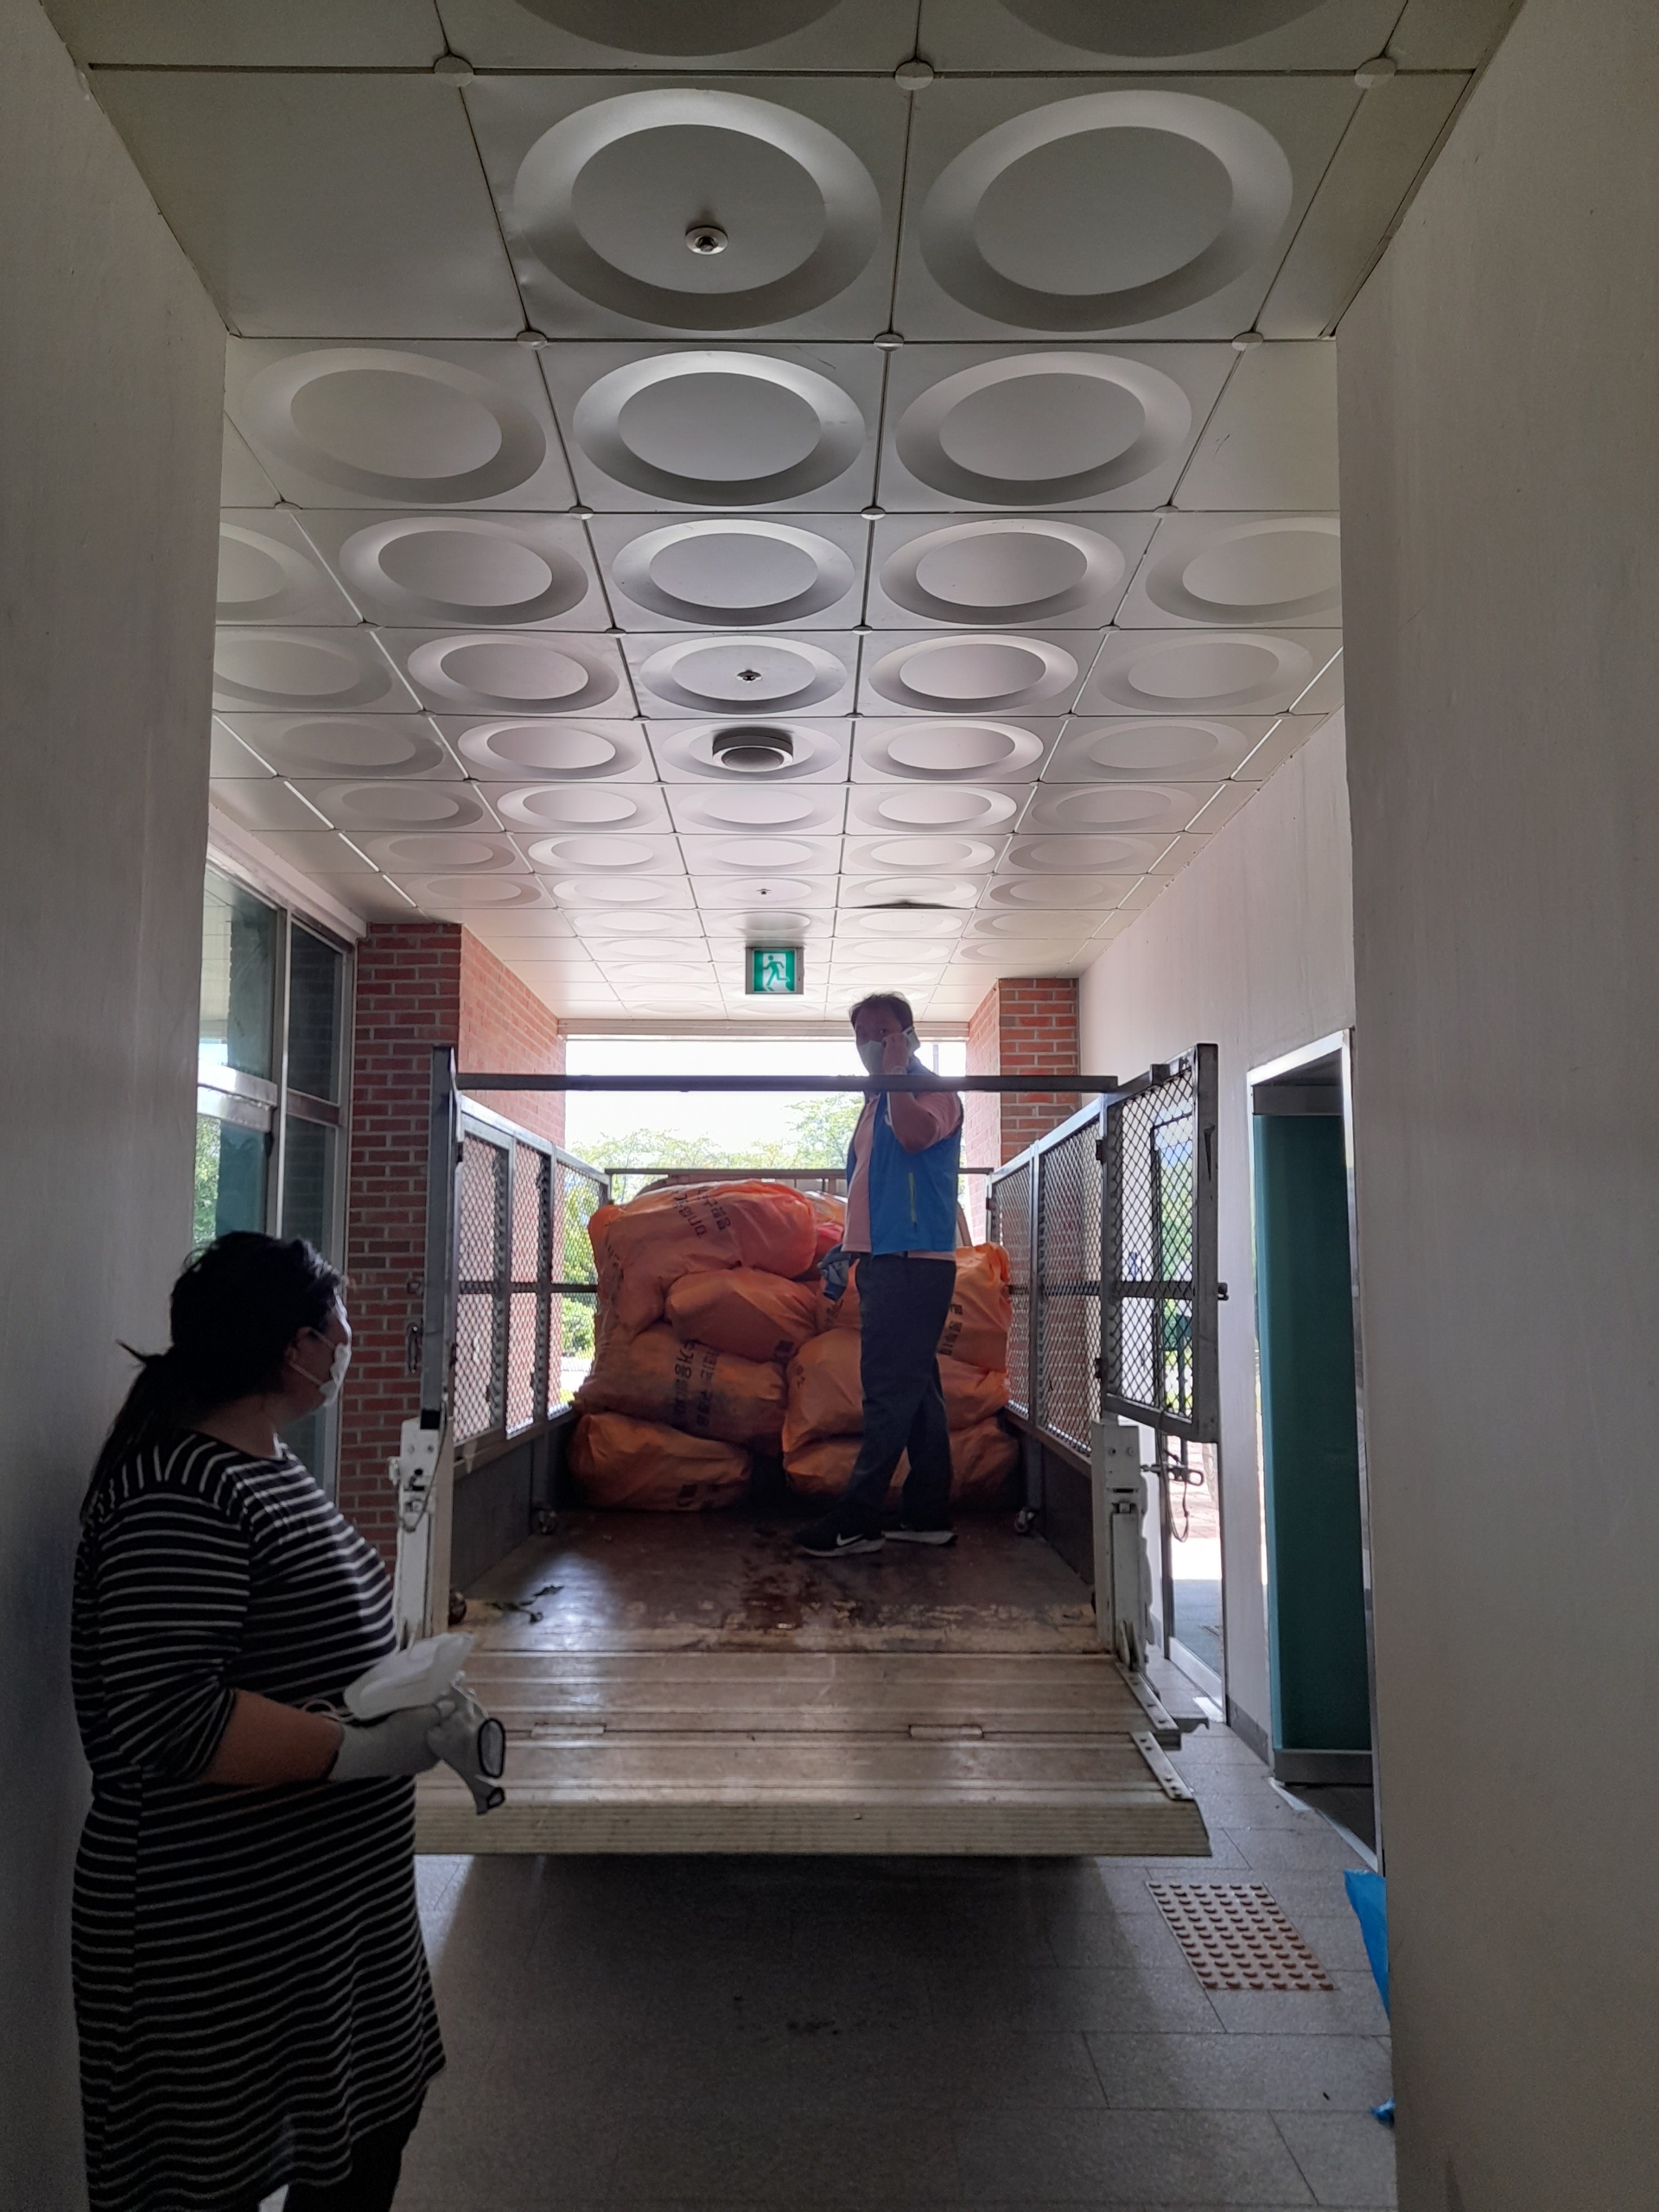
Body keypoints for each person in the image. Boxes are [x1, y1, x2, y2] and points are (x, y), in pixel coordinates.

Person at [73, 1233, 448, 2212]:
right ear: (296, 1347)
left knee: (368, 2140)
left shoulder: (266, 1468)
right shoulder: (177, 1492)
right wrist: (364, 1749)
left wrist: (415, 1698)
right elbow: (175, 1718)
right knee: (206, 2178)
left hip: (327, 1920)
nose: (351, 1340)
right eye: (339, 1323)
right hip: (216, 1932)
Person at [797, 994, 963, 1557]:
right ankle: (926, 1514)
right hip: (884, 1259)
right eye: (862, 1033)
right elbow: (874, 1183)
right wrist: (850, 1249)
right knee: (918, 1393)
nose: (871, 1042)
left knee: (887, 1393)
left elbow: (915, 1139)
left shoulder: (932, 1092)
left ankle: (858, 1519)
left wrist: (894, 1076)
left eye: (884, 1031)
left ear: (908, 1036)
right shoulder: (874, 1102)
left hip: (913, 1262)